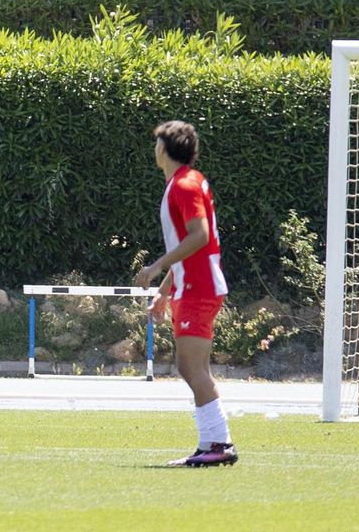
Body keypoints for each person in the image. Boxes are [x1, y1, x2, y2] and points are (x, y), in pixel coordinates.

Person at [134, 120, 238, 467]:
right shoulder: (183, 183)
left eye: (156, 143)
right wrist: (165, 290)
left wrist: (156, 267)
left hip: (199, 287)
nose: (154, 149)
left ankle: (220, 444)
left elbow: (200, 236)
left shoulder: (185, 185)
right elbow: (188, 244)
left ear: (164, 148)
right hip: (190, 285)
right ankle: (210, 443)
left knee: (193, 368)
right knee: (189, 366)